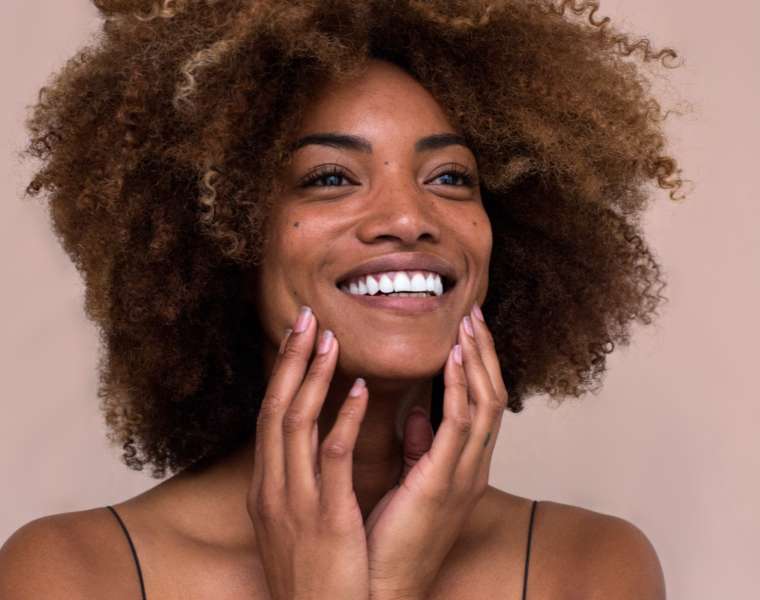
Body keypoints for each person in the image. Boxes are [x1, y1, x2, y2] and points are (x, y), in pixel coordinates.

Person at [0, 0, 684, 598]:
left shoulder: (589, 568)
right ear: (224, 237)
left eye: (450, 177)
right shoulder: (75, 573)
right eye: (330, 177)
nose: (409, 218)